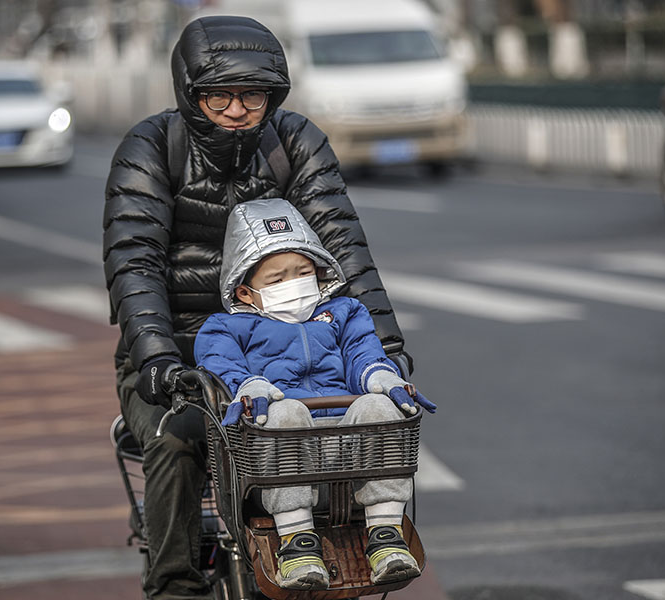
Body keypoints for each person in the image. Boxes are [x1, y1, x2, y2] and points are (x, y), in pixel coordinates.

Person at [103, 15, 414, 600]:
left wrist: (388, 347)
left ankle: (357, 544)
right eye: (219, 95)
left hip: (295, 344)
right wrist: (158, 361)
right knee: (176, 439)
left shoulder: (296, 140)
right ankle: (174, 584)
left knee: (358, 426)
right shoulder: (151, 147)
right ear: (189, 92)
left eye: (254, 94)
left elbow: (343, 247)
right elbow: (134, 263)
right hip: (181, 353)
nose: (239, 108)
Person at [193, 198, 436, 590]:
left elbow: (363, 353)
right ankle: (297, 542)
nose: (293, 284)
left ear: (320, 273)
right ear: (245, 293)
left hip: (345, 448)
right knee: (284, 413)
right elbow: (219, 361)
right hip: (279, 456)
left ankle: (386, 535)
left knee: (379, 406)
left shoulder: (343, 312)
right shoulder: (227, 327)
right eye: (276, 279)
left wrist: (383, 379)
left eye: (302, 272)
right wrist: (249, 385)